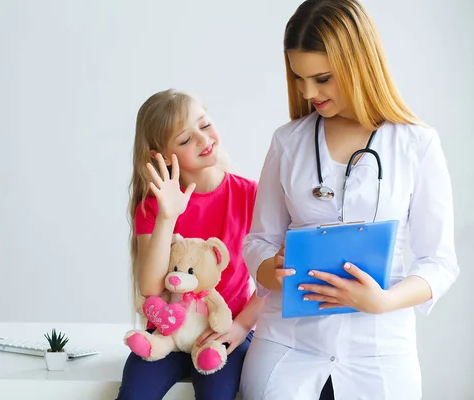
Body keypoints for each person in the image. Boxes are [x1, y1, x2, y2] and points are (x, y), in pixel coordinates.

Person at [240, 1, 459, 399]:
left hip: (378, 352)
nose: (308, 92)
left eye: (322, 78)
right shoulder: (288, 142)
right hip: (288, 347)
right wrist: (273, 270)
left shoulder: (416, 144)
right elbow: (258, 241)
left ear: (359, 63)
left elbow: (440, 263)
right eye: (299, 77)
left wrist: (384, 300)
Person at [116, 89, 263, 400]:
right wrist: (166, 217)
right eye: (184, 140)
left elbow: (276, 280)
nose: (201, 139)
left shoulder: (251, 195)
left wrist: (240, 327)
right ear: (160, 156)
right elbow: (151, 287)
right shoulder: (153, 207)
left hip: (224, 332)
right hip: (169, 332)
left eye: (205, 125)